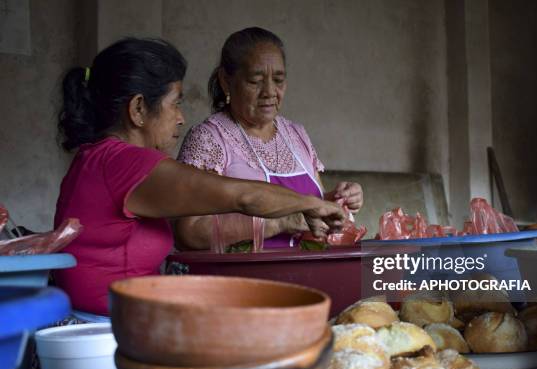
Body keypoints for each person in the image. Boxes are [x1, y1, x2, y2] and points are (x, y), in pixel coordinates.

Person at [53, 38, 344, 319]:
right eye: (175, 103)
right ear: (138, 108)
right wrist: (307, 204)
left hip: (118, 319)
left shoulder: (99, 158)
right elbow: (242, 197)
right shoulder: (125, 164)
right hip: (102, 333)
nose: (180, 117)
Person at [175, 27, 363, 249]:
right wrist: (280, 222)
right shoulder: (209, 139)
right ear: (226, 81)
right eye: (255, 81)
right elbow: (188, 232)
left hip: (305, 274)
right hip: (240, 280)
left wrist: (339, 201)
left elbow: (313, 210)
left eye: (278, 79)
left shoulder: (296, 134)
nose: (270, 92)